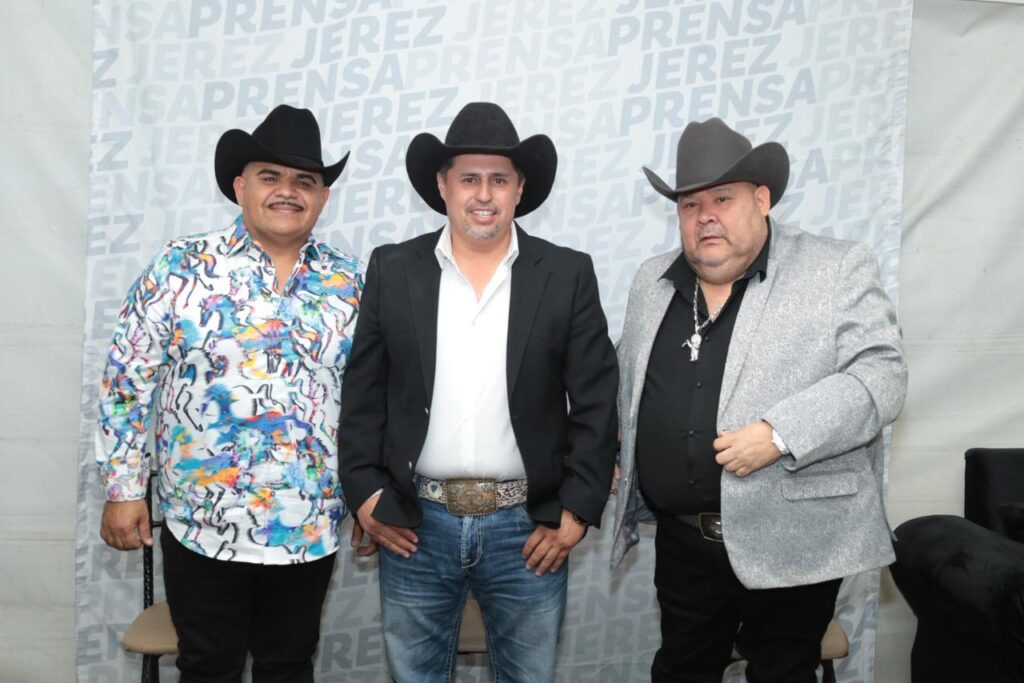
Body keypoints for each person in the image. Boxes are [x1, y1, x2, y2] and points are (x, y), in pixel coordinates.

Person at [609, 117, 908, 683]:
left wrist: (779, 433)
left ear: (762, 200)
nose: (706, 216)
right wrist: (610, 444)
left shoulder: (836, 267)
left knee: (781, 674)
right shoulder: (652, 281)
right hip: (684, 543)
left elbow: (882, 373)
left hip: (793, 536)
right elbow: (628, 375)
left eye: (722, 198)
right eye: (690, 205)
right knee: (680, 671)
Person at [338, 101, 618, 683]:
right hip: (415, 524)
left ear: (520, 189)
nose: (483, 194)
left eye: (499, 179)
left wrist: (577, 510)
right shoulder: (393, 268)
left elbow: (596, 402)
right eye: (469, 178)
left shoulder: (567, 274)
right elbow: (363, 394)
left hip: (528, 528)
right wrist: (364, 493)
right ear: (443, 186)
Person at [96, 104, 362, 682]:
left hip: (307, 524)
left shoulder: (351, 283)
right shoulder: (179, 267)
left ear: (322, 197)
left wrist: (371, 493)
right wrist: (123, 488)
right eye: (270, 176)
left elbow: (372, 399)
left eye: (305, 181)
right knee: (208, 668)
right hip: (202, 522)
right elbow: (126, 382)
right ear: (241, 186)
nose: (287, 191)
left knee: (288, 667)